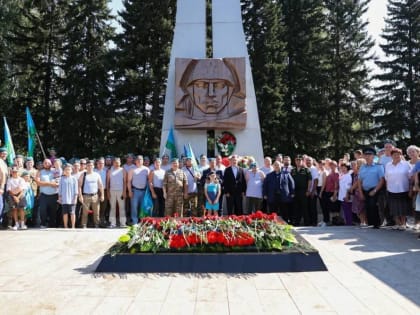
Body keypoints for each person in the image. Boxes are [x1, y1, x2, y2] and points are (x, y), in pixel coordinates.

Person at [175, 58, 246, 129]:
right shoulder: (180, 117)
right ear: (190, 89)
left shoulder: (240, 116)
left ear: (230, 90)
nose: (210, 94)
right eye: (201, 86)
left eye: (219, 86)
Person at [358, 147, 385, 229]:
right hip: (365, 189)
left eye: (369, 155)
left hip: (375, 189)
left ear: (373, 156)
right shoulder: (362, 167)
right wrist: (360, 192)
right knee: (368, 206)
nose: (367, 156)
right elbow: (359, 180)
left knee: (373, 205)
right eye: (366, 155)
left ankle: (377, 223)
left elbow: (382, 180)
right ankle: (371, 223)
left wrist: (375, 190)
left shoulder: (378, 166)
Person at [385, 148, 411, 230]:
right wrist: (387, 188)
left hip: (403, 189)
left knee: (403, 207)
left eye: (398, 154)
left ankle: (403, 223)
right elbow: (386, 177)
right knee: (393, 207)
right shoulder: (388, 165)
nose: (396, 156)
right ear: (391, 156)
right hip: (391, 189)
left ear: (401, 155)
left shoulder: (406, 164)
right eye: (394, 154)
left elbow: (410, 177)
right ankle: (397, 223)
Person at [78, 160, 104, 228]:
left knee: (96, 212)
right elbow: (79, 186)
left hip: (95, 196)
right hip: (86, 196)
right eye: (88, 165)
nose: (90, 167)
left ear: (93, 166)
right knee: (85, 212)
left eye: (91, 165)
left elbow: (101, 186)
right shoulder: (83, 174)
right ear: (86, 166)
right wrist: (80, 196)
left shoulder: (97, 175)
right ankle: (84, 225)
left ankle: (97, 224)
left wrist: (102, 195)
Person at [36, 159, 59, 228]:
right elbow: (38, 182)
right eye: (45, 163)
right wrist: (50, 183)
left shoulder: (55, 171)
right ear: (43, 164)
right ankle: (43, 223)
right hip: (44, 195)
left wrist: (54, 183)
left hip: (54, 195)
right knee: (42, 210)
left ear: (51, 164)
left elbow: (58, 182)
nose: (47, 164)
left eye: (48, 163)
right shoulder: (40, 172)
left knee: (53, 211)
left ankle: (52, 224)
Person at [127, 155, 149, 224]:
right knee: (134, 207)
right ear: (135, 161)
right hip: (135, 191)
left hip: (144, 191)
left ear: (143, 161)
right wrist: (130, 191)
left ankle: (142, 221)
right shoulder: (132, 169)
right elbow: (129, 181)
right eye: (138, 159)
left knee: (143, 207)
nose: (139, 161)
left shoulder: (146, 169)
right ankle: (134, 222)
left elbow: (149, 180)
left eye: (141, 159)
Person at [291, 155, 312, 226]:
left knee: (305, 207)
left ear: (302, 161)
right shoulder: (292, 170)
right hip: (295, 191)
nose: (298, 161)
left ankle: (307, 223)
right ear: (295, 161)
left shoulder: (306, 170)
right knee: (296, 207)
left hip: (304, 191)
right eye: (297, 160)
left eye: (300, 160)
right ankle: (297, 222)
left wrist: (308, 190)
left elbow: (310, 180)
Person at [107, 157, 127, 228]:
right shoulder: (110, 171)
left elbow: (125, 182)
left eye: (118, 162)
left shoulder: (123, 170)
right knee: (112, 207)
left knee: (122, 207)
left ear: (120, 163)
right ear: (113, 163)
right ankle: (113, 223)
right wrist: (108, 192)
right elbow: (108, 182)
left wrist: (124, 192)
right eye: (115, 162)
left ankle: (123, 223)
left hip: (121, 191)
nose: (116, 163)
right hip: (112, 191)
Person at [58, 164, 78, 229]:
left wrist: (75, 198)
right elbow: (60, 189)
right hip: (64, 199)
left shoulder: (74, 179)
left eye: (69, 169)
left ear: (71, 170)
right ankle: (66, 226)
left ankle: (73, 226)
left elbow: (76, 189)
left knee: (72, 213)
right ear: (64, 171)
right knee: (65, 213)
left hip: (72, 199)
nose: (67, 171)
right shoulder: (62, 179)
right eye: (66, 169)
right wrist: (60, 198)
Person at [320, 160, 339, 226]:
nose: (331, 166)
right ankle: (326, 221)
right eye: (330, 164)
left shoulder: (336, 174)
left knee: (334, 209)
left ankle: (334, 222)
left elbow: (336, 185)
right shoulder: (330, 173)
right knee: (326, 207)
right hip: (327, 192)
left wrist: (334, 195)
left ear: (336, 166)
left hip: (332, 193)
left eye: (333, 165)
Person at [349, 158, 367, 226]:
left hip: (360, 191)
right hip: (357, 192)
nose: (357, 164)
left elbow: (357, 182)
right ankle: (363, 222)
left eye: (358, 163)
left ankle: (363, 222)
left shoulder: (361, 171)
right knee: (360, 208)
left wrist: (352, 188)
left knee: (361, 208)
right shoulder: (359, 171)